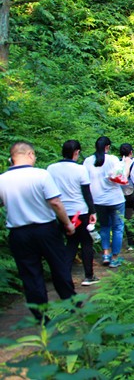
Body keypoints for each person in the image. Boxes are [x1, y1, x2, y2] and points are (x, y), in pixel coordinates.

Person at [0, 141, 76, 320]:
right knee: (60, 267)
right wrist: (67, 224)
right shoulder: (41, 175)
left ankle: (41, 316)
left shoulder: (2, 179)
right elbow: (55, 202)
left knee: (30, 274)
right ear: (29, 154)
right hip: (46, 229)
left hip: (19, 233)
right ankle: (72, 307)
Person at [47, 140, 98, 286]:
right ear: (76, 152)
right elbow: (86, 192)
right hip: (80, 211)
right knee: (86, 242)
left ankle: (64, 276)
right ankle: (89, 275)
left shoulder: (51, 169)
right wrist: (92, 211)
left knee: (70, 242)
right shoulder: (80, 169)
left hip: (61, 212)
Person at [83, 136, 126, 268]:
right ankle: (115, 257)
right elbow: (121, 176)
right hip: (115, 199)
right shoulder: (113, 159)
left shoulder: (88, 161)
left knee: (105, 227)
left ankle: (106, 254)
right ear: (107, 147)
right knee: (118, 228)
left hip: (97, 200)